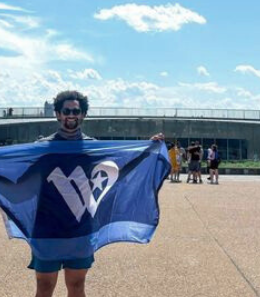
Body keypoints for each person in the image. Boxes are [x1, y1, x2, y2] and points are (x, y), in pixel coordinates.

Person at [29, 90, 163, 296]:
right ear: (57, 114)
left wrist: (148, 149)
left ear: (83, 114)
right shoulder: (42, 148)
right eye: (66, 110)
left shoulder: (94, 148)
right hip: (46, 227)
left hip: (80, 227)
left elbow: (120, 167)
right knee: (44, 287)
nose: (71, 115)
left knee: (76, 286)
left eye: (77, 111)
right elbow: (17, 172)